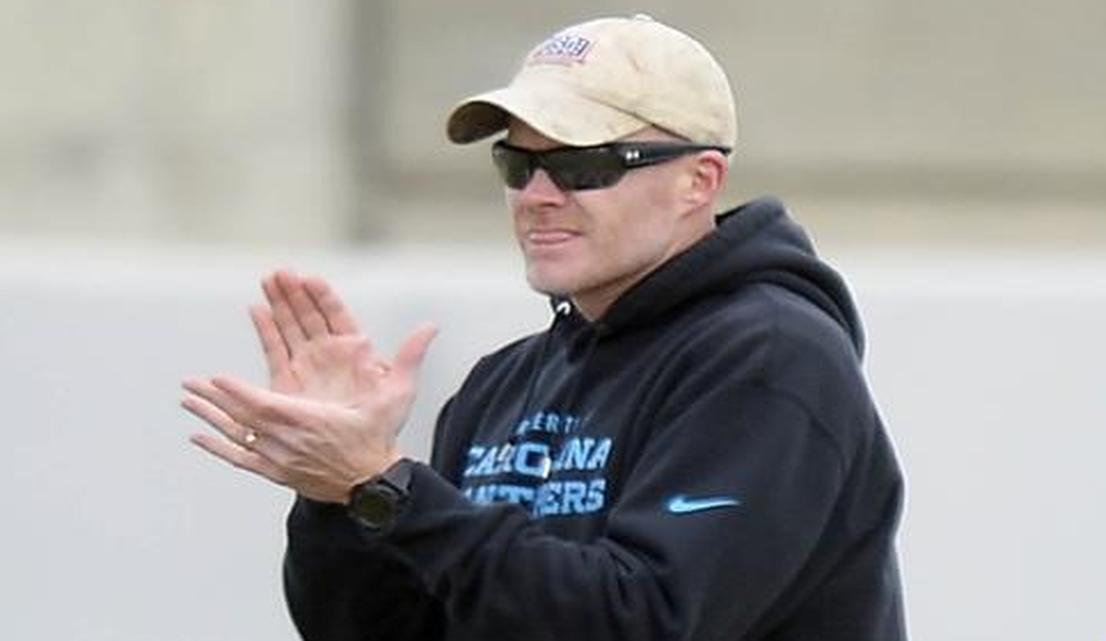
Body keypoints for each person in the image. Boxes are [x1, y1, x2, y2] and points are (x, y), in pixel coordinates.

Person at [181, 14, 908, 641]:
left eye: (584, 165)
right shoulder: (506, 381)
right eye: (517, 163)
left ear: (700, 181)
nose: (537, 195)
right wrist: (340, 497)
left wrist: (386, 488)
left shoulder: (771, 356)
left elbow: (641, 620)